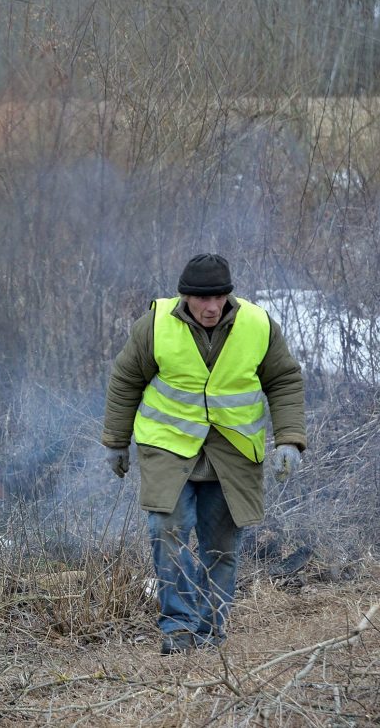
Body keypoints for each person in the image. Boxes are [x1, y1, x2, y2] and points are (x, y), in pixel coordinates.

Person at [102, 253, 306, 655]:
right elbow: (125, 379)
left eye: (219, 297)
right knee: (168, 533)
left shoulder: (258, 324)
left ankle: (210, 633)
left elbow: (284, 379)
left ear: (229, 295)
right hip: (169, 448)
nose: (211, 307)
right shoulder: (155, 325)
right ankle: (178, 630)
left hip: (233, 451)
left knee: (222, 548)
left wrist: (289, 439)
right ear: (185, 297)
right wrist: (115, 440)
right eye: (202, 298)